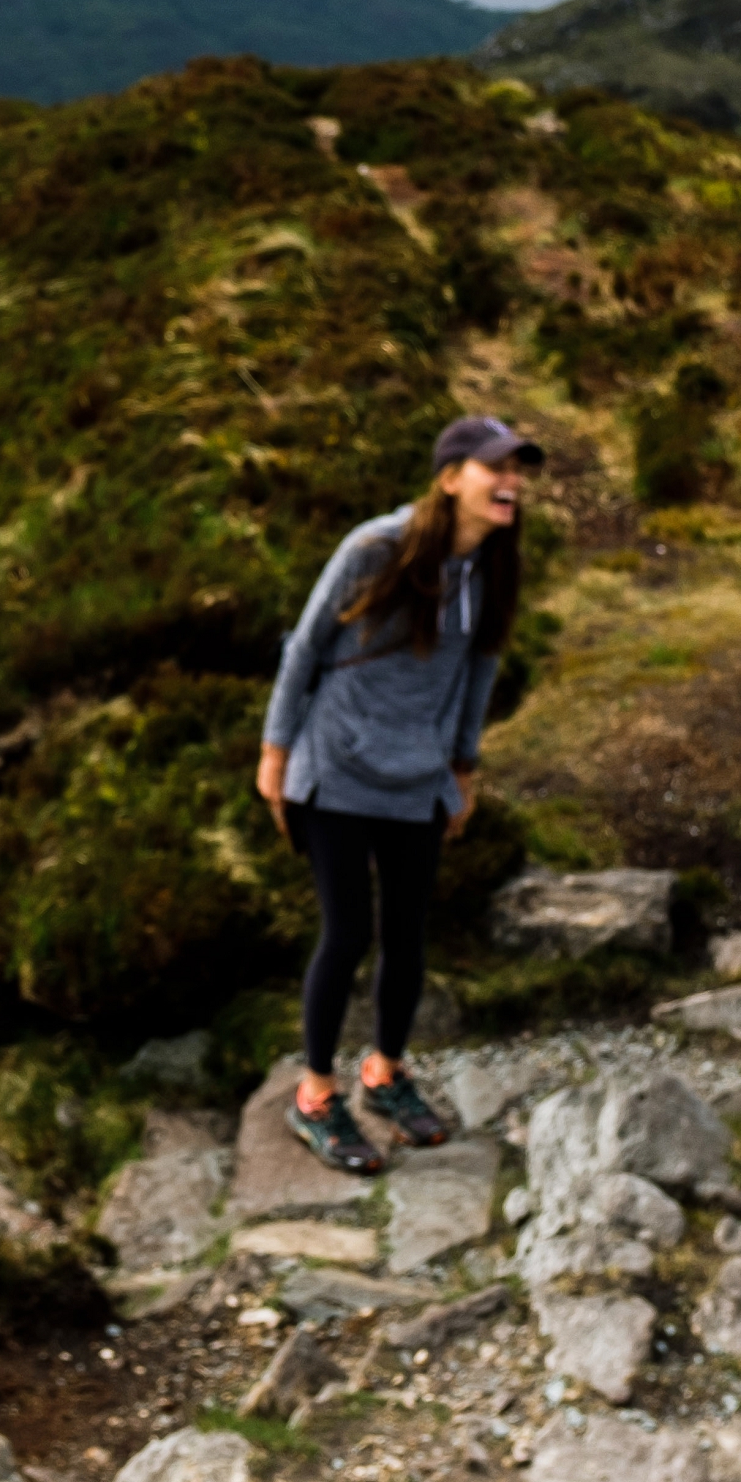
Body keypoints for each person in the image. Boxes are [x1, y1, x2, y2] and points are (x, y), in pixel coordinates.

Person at [254, 415, 540, 1176]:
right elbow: (306, 646)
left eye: (519, 469)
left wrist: (464, 768)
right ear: (451, 478)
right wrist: (275, 753)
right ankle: (315, 1095)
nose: (512, 482)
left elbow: (480, 668)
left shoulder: (494, 566)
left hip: (418, 779)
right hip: (336, 773)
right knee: (346, 933)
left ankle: (385, 1071)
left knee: (407, 935)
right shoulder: (373, 548)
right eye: (496, 468)